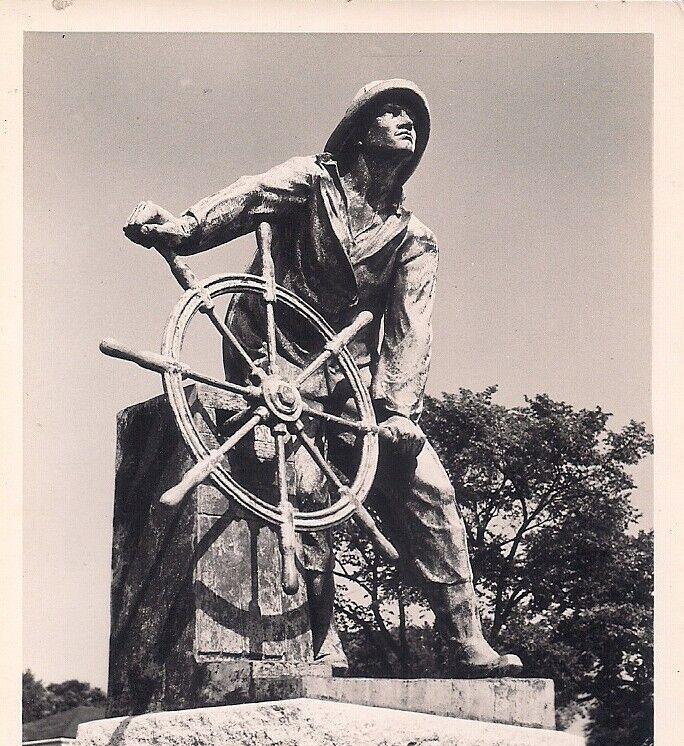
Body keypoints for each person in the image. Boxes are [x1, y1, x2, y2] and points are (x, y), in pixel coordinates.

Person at [124, 80, 522, 678]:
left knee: (431, 489)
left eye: (414, 117)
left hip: (354, 381)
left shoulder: (414, 239)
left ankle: (465, 638)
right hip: (273, 355)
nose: (406, 122)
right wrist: (183, 229)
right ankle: (320, 638)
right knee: (306, 486)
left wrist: (398, 410)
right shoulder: (310, 181)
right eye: (391, 112)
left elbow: (411, 328)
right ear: (360, 129)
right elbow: (246, 198)